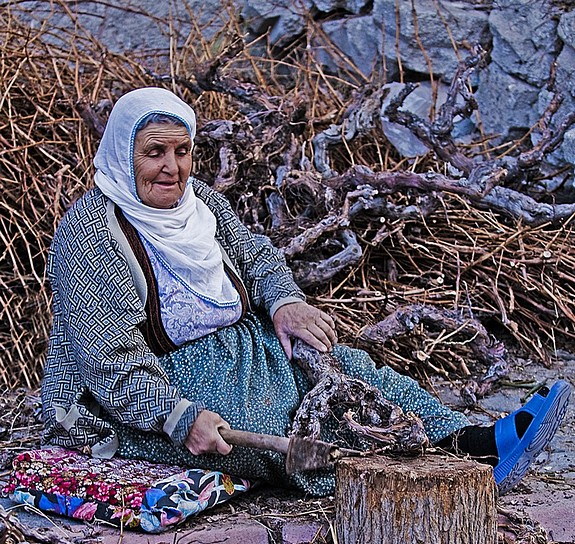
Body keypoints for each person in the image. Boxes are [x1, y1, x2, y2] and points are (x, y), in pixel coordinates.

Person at [41, 87, 571, 497]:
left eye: (182, 151)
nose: (172, 168)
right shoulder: (92, 234)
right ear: (122, 154)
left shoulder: (198, 202)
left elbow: (255, 254)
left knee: (348, 369)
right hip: (152, 384)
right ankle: (418, 477)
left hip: (240, 344)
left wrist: (284, 301)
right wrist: (177, 416)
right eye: (154, 152)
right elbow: (107, 363)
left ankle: (472, 443)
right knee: (288, 421)